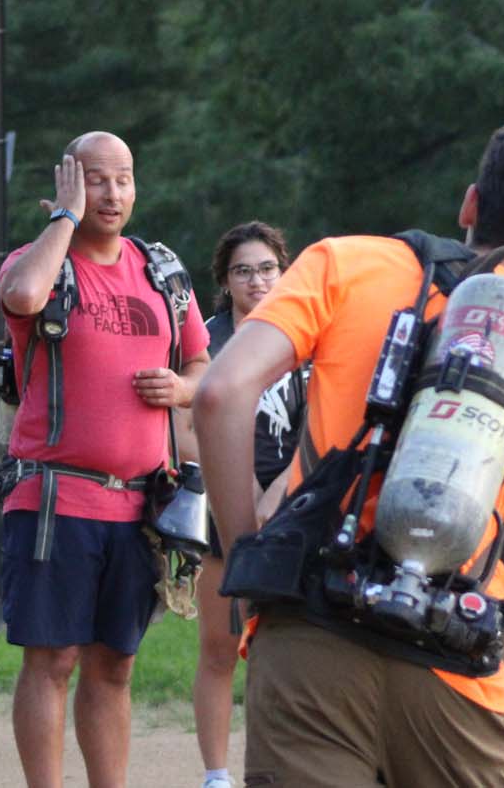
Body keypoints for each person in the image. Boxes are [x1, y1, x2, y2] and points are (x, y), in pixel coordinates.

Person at [193, 119, 504, 788]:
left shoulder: (348, 262)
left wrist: (249, 562)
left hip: (310, 628)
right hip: (453, 657)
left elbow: (220, 394)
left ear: (469, 204)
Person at [0, 131, 211, 788]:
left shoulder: (160, 271)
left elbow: (202, 363)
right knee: (52, 659)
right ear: (68, 183)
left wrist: (181, 389)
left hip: (140, 505)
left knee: (115, 664)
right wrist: (63, 218)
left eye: (124, 178)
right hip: (55, 499)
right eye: (95, 179)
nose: (113, 193)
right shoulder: (40, 261)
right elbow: (22, 297)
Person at [184, 221, 306, 788]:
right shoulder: (206, 343)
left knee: (285, 649)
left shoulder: (303, 335)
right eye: (243, 271)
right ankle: (216, 775)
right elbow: (188, 424)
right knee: (221, 645)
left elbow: (320, 423)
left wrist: (275, 495)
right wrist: (243, 493)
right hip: (220, 504)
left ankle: (282, 767)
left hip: (293, 506)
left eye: (266, 269)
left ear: (283, 271)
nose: (256, 281)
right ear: (225, 280)